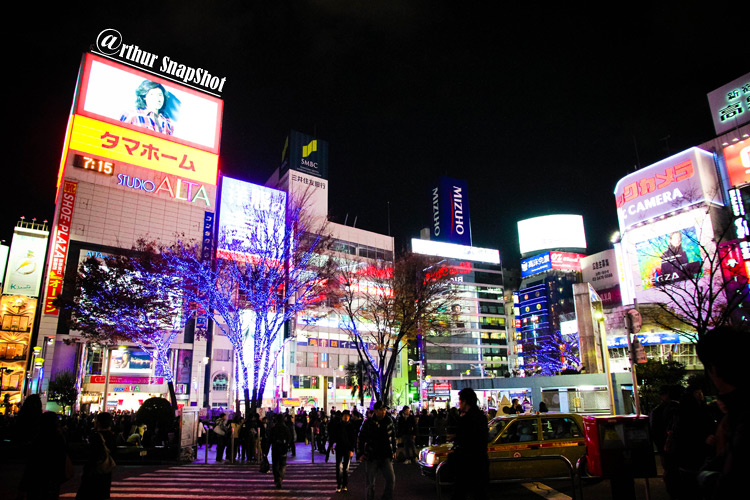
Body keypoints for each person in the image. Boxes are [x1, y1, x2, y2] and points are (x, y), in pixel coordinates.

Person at [695, 326, 749, 500]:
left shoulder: (739, 418)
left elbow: (730, 485)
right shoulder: (734, 413)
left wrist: (705, 475)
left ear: (714, 369)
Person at [19, 411, 72, 500]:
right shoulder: (59, 438)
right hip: (52, 479)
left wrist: (23, 486)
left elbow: (32, 463)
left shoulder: (39, 438)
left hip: (37, 478)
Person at [449, 388, 489, 500]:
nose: (459, 403)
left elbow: (467, 438)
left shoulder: (467, 418)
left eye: (460, 401)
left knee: (460, 493)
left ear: (465, 402)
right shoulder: (480, 416)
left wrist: (457, 438)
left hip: (467, 462)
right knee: (479, 493)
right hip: (479, 462)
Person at [357, 401, 397, 500]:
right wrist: (361, 453)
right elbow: (361, 438)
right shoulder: (368, 422)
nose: (383, 412)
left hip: (386, 455)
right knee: (370, 483)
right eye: (381, 410)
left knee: (391, 479)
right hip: (372, 456)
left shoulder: (389, 421)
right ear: (375, 411)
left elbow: (393, 436)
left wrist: (394, 450)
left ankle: (387, 497)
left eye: (384, 409)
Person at [76, 412, 116, 500]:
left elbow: (92, 455)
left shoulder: (95, 436)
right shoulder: (112, 436)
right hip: (106, 469)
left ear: (99, 422)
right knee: (103, 493)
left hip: (94, 470)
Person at [332, 409, 358, 492]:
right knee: (338, 467)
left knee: (346, 468)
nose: (346, 417)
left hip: (347, 449)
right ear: (342, 417)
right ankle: (339, 484)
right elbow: (334, 436)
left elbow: (353, 439)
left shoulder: (351, 426)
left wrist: (352, 450)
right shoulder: (338, 425)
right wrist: (332, 446)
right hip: (339, 448)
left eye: (348, 416)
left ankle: (345, 484)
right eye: (345, 416)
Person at [269, 413, 292, 489]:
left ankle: (277, 478)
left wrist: (265, 451)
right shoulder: (286, 428)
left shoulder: (273, 428)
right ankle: (280, 477)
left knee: (275, 464)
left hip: (275, 448)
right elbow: (289, 438)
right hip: (283, 448)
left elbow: (269, 440)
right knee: (282, 464)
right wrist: (287, 445)